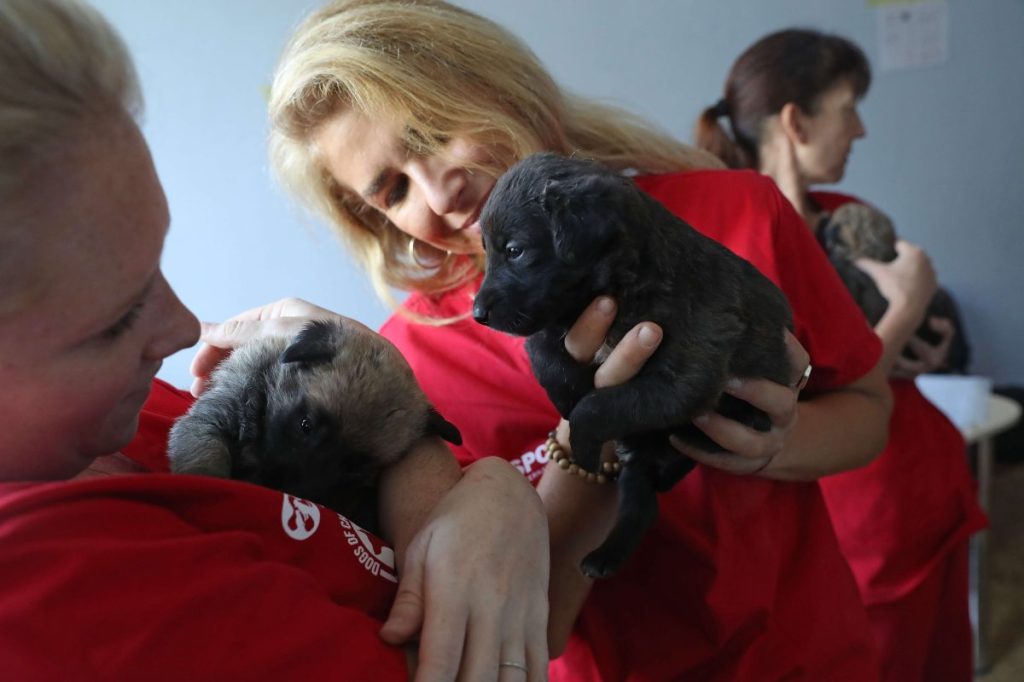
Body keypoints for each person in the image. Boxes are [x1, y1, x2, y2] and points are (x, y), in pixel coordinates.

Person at [257, 1, 897, 679]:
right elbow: (531, 627)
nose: (439, 191)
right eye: (392, 189)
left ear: (503, 86)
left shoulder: (740, 214)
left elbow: (868, 410)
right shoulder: (418, 367)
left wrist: (769, 443)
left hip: (811, 652)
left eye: (436, 128)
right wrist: (594, 446)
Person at [0, 1, 550, 679]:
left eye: (157, 267)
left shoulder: (110, 412)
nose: (182, 329)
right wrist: (550, 485)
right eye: (115, 320)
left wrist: (483, 492)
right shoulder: (45, 580)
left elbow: (398, 455)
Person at [694, 28, 987, 681]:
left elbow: (872, 356)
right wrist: (907, 305)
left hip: (927, 490)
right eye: (849, 107)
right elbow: (799, 400)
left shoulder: (848, 216)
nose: (860, 130)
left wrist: (923, 340)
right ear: (796, 121)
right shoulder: (734, 246)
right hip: (860, 523)